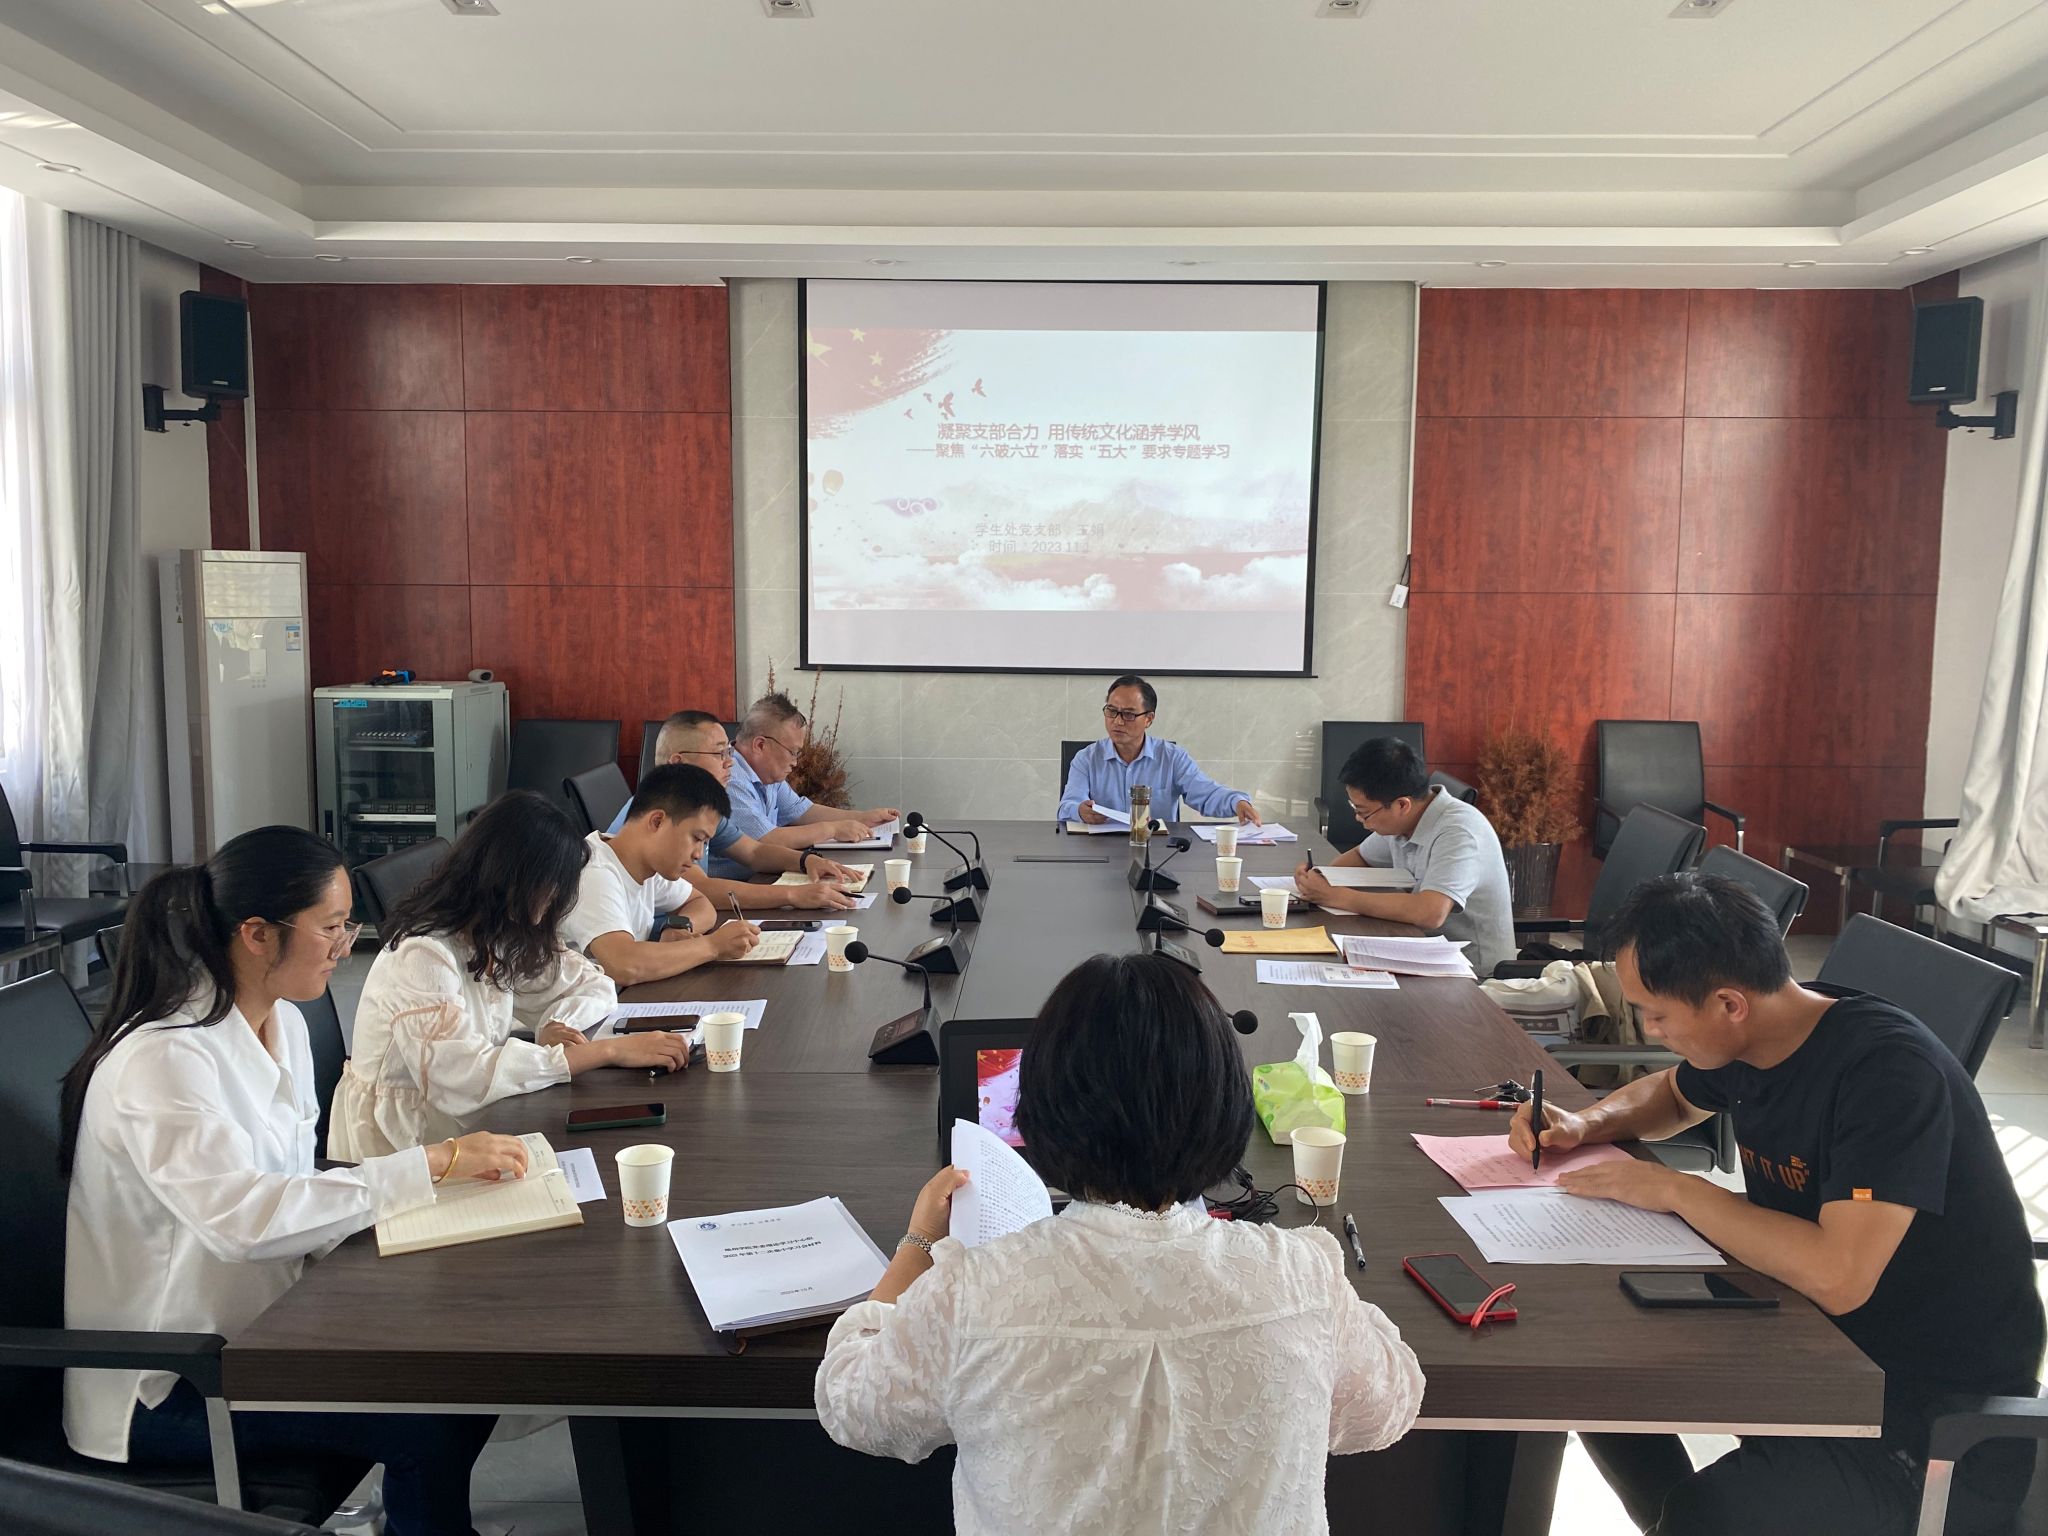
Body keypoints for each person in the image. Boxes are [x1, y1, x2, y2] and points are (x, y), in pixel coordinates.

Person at [816, 951, 1423, 1535]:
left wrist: (920, 1241)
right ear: (1224, 1106)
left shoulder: (972, 1291)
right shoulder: (1302, 1275)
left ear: (1043, 1110)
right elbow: (1387, 1407)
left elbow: (850, 1403)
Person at [1508, 874, 2042, 1536]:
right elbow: (1673, 1095)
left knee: (1710, 1513)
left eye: (1657, 1014)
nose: (1650, 1030)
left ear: (1729, 1004)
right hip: (1811, 1344)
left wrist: (1676, 1189)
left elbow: (1838, 1276)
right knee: (1587, 1376)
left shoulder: (1887, 1075)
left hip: (1929, 1426)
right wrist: (1585, 1124)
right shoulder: (1762, 1033)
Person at [60, 826, 523, 1536]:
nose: (345, 946)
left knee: (470, 1367)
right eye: (331, 927)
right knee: (429, 1424)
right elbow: (243, 1220)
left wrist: (430, 1205)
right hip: (171, 1382)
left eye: (348, 925)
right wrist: (428, 1165)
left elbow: (295, 1179)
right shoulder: (164, 1059)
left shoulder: (282, 1024)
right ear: (256, 934)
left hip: (267, 1323)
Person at [330, 790, 690, 1161]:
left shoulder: (498, 931)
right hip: (405, 1147)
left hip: (476, 1122)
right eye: (552, 885)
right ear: (514, 877)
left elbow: (593, 984)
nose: (555, 899)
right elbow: (462, 1080)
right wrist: (603, 1051)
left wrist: (556, 1026)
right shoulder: (423, 954)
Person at [1292, 736, 1514, 977]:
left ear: (1402, 805)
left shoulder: (1459, 832)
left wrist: (1337, 896)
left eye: (1363, 812)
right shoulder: (1405, 821)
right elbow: (1361, 856)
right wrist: (1322, 878)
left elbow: (1430, 912)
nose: (1358, 818)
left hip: (1473, 974)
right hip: (1418, 949)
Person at [615, 711, 860, 911]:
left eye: (728, 752)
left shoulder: (701, 807)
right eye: (719, 753)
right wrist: (792, 895)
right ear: (679, 762)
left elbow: (753, 852)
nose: (729, 761)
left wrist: (807, 861)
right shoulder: (662, 813)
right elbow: (701, 889)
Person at [563, 763, 764, 986]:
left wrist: (679, 926)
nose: (698, 854)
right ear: (657, 821)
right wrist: (713, 946)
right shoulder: (594, 873)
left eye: (705, 843)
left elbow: (701, 903)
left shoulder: (646, 865)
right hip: (582, 1007)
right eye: (697, 838)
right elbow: (624, 965)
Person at [719, 693, 899, 877]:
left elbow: (801, 811)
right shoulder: (729, 778)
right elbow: (765, 841)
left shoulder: (765, 773)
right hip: (738, 886)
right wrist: (832, 829)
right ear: (760, 745)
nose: (795, 762)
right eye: (793, 752)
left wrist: (862, 818)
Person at [1056, 674, 1262, 827]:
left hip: (1157, 851)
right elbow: (1067, 805)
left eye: (1128, 714)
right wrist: (1080, 811)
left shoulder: (1172, 757)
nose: (1117, 721)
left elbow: (1207, 794)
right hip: (1100, 851)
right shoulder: (1086, 758)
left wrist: (1237, 802)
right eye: (1111, 711)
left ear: (1149, 719)